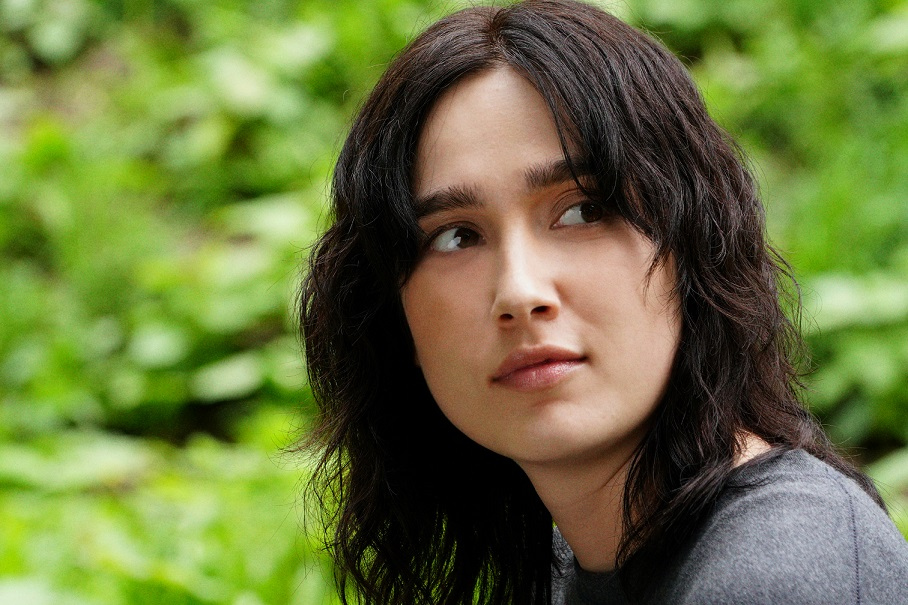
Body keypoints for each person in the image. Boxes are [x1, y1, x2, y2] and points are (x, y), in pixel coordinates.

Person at [298, 1, 908, 603]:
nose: (520, 292)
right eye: (456, 236)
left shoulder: (780, 570)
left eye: (582, 211)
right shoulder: (573, 561)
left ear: (692, 246)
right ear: (392, 316)